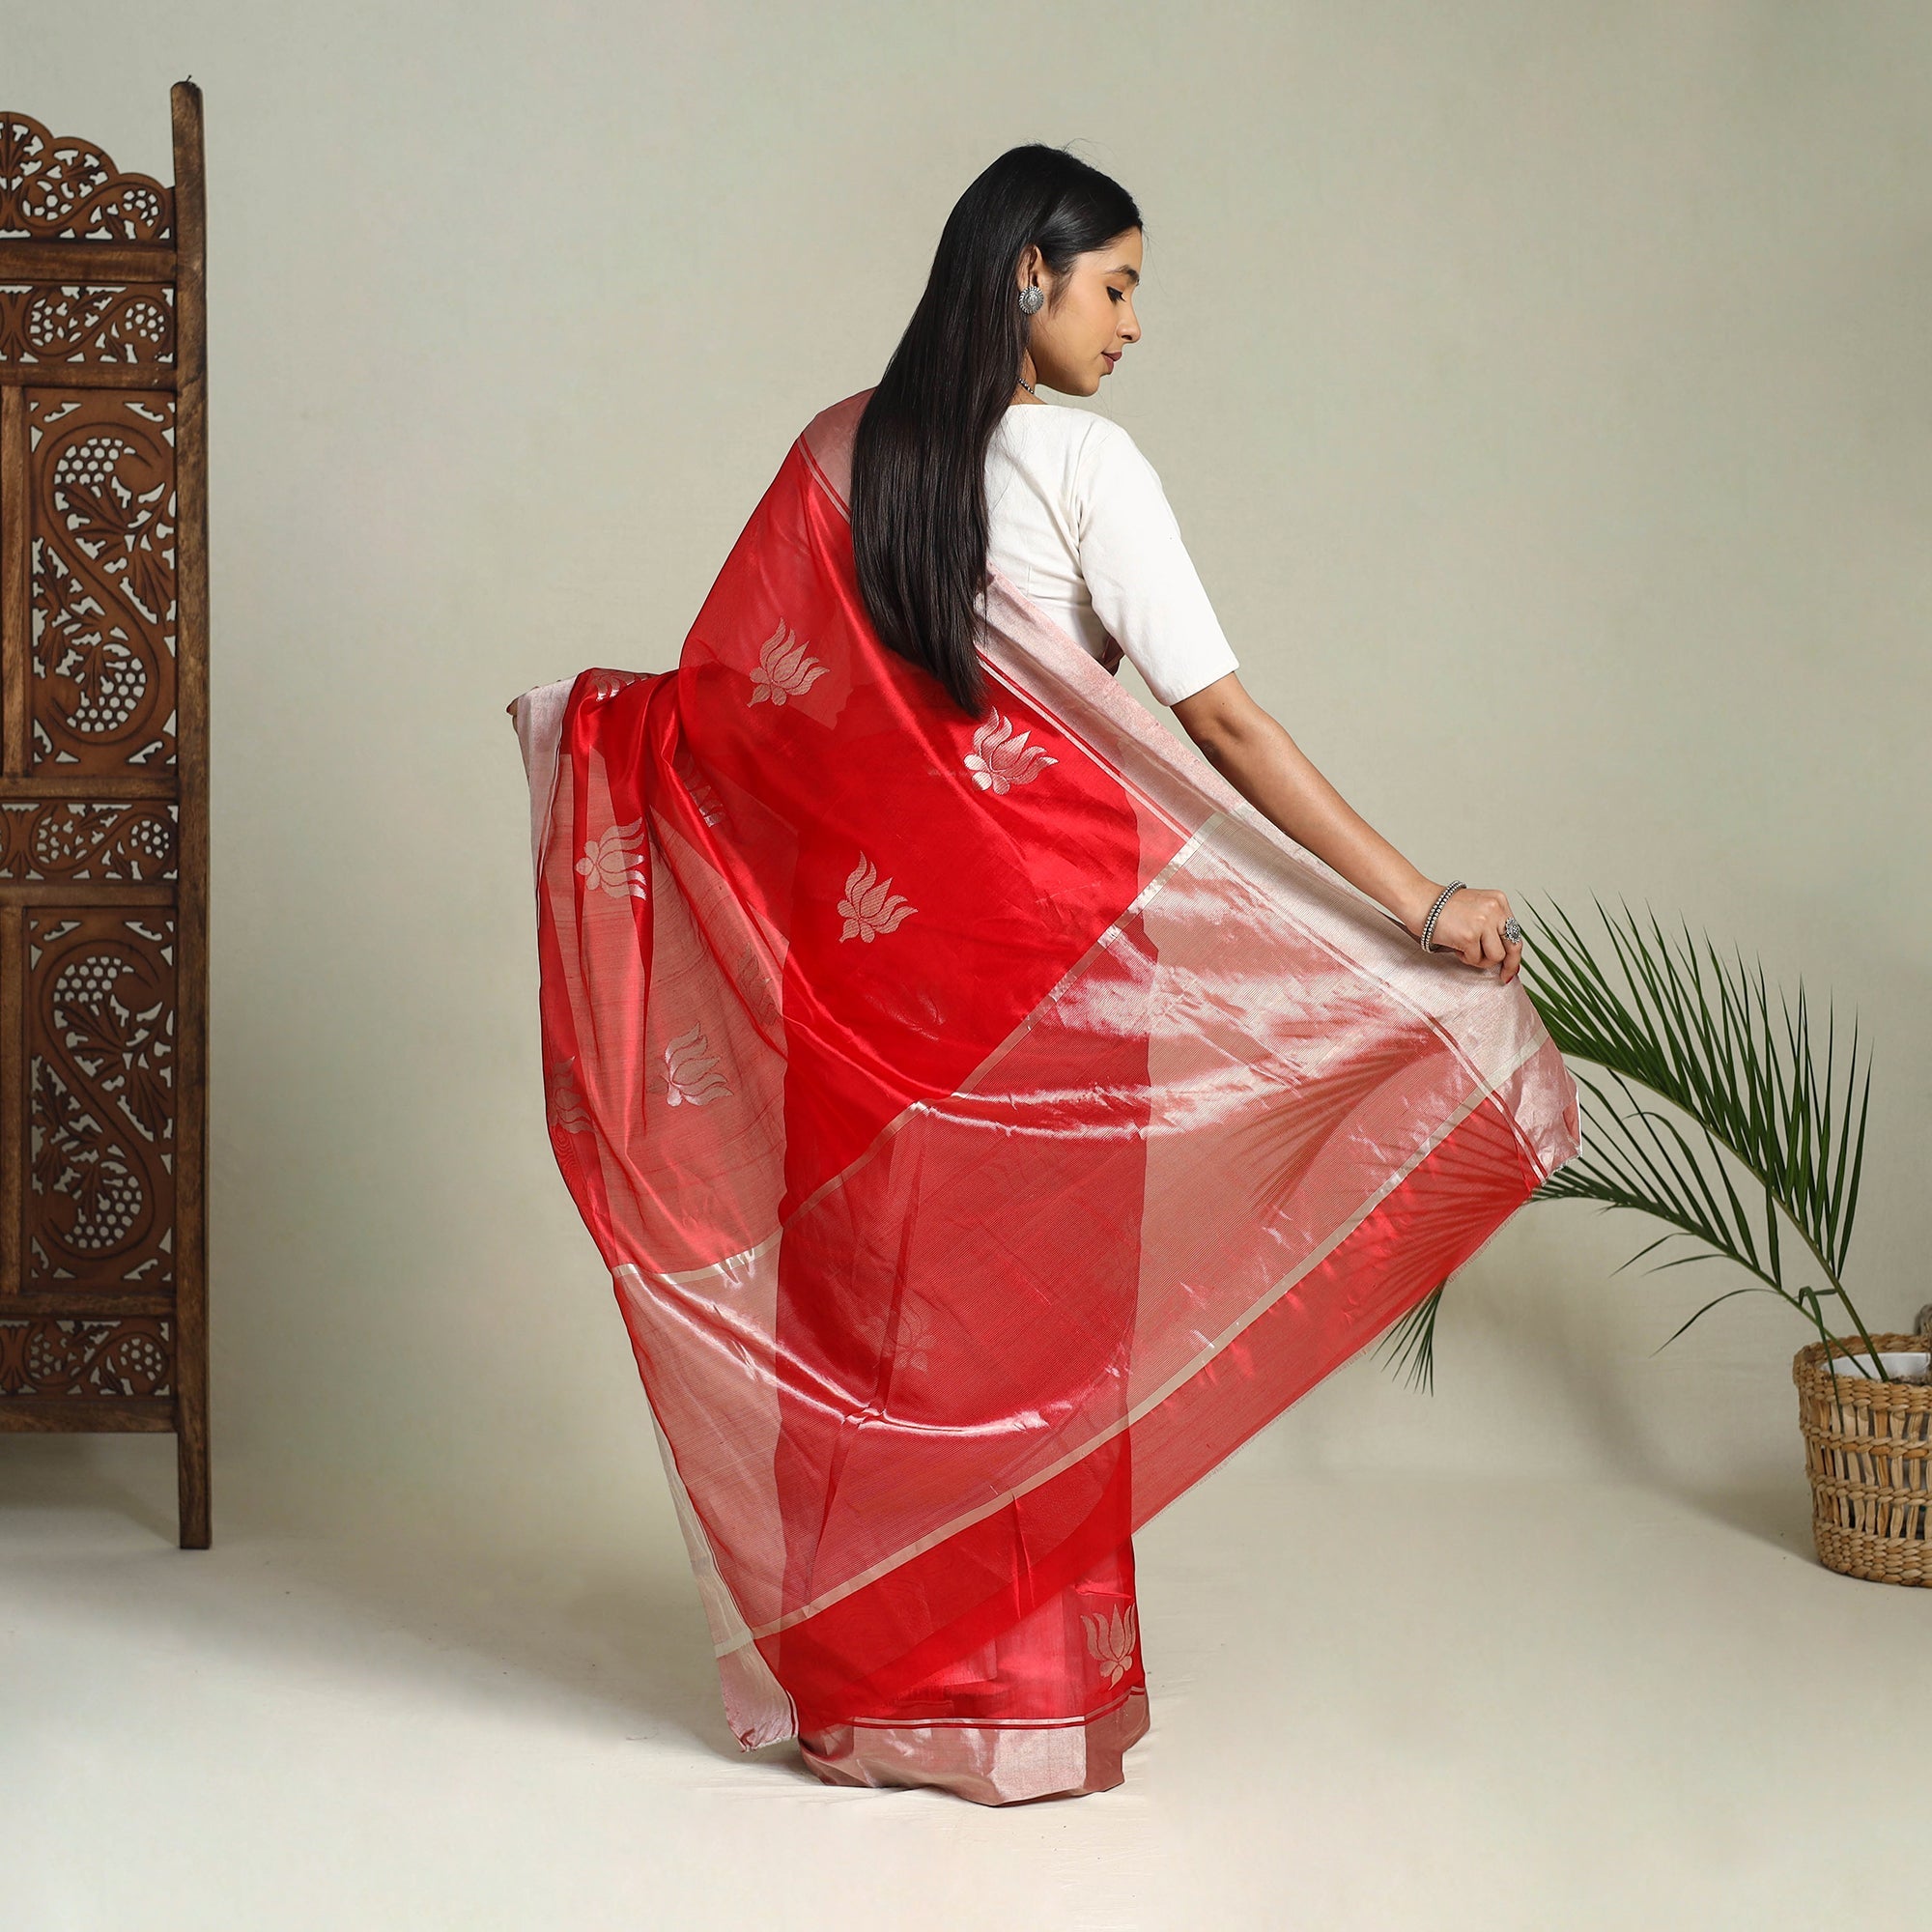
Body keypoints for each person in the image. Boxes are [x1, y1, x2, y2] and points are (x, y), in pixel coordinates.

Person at [509, 144, 1580, 1805]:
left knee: (872, 1313)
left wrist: (602, 741)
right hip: (1054, 971)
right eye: (1119, 286)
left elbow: (743, 721)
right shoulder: (1085, 462)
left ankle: (867, 1698)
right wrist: (1416, 900)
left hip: (868, 978)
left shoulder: (840, 452)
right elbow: (1224, 725)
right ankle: (1010, 1705)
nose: (1134, 325)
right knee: (1028, 1331)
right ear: (1029, 274)